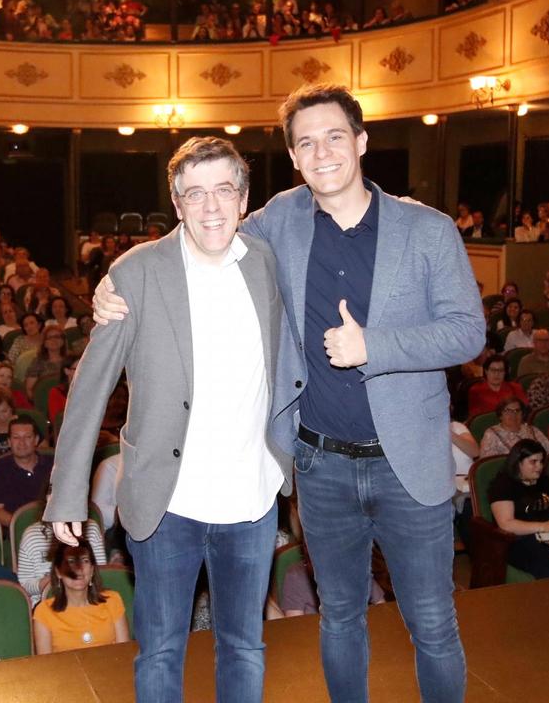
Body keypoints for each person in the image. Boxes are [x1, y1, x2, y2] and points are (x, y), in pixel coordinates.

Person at [92, 85, 485, 702]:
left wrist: (374, 346)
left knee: (433, 624)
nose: (322, 151)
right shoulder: (279, 219)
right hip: (320, 465)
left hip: (405, 462)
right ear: (295, 159)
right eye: (306, 142)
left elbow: (468, 331)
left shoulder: (427, 229)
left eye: (334, 136)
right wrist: (114, 285)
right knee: (340, 617)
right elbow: (204, 227)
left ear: (361, 141)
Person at [50, 136, 292, 702]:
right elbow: (90, 388)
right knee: (161, 651)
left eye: (224, 192)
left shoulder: (264, 262)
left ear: (244, 198)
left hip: (252, 498)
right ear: (177, 205)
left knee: (244, 646)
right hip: (167, 503)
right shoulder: (136, 273)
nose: (211, 208)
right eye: (195, 194)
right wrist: (66, 494)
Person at [487, 439, 549, 579]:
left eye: (541, 461)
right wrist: (543, 527)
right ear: (518, 462)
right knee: (548, 562)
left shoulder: (546, 481)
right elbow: (506, 523)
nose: (539, 466)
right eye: (533, 462)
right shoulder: (503, 485)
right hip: (518, 540)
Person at [32, 540, 129, 654]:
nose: (78, 568)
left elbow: (124, 655)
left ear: (92, 570)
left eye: (85, 561)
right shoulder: (44, 612)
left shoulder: (113, 601)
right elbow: (46, 666)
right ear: (58, 571)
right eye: (71, 561)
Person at [17, 518, 106, 604]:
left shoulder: (91, 528)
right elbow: (24, 584)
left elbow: (101, 572)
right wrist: (43, 584)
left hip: (87, 599)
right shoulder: (31, 535)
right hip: (45, 602)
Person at [0, 419, 51, 527]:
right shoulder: (0, 468)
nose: (22, 442)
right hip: (18, 531)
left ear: (36, 440)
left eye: (27, 437)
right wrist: (23, 527)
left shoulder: (53, 465)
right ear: (9, 442)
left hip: (53, 528)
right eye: (16, 438)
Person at [480, 397, 549, 457]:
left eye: (517, 410)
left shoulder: (533, 430)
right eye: (508, 411)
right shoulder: (492, 434)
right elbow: (490, 464)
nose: (513, 415)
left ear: (522, 414)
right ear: (500, 415)